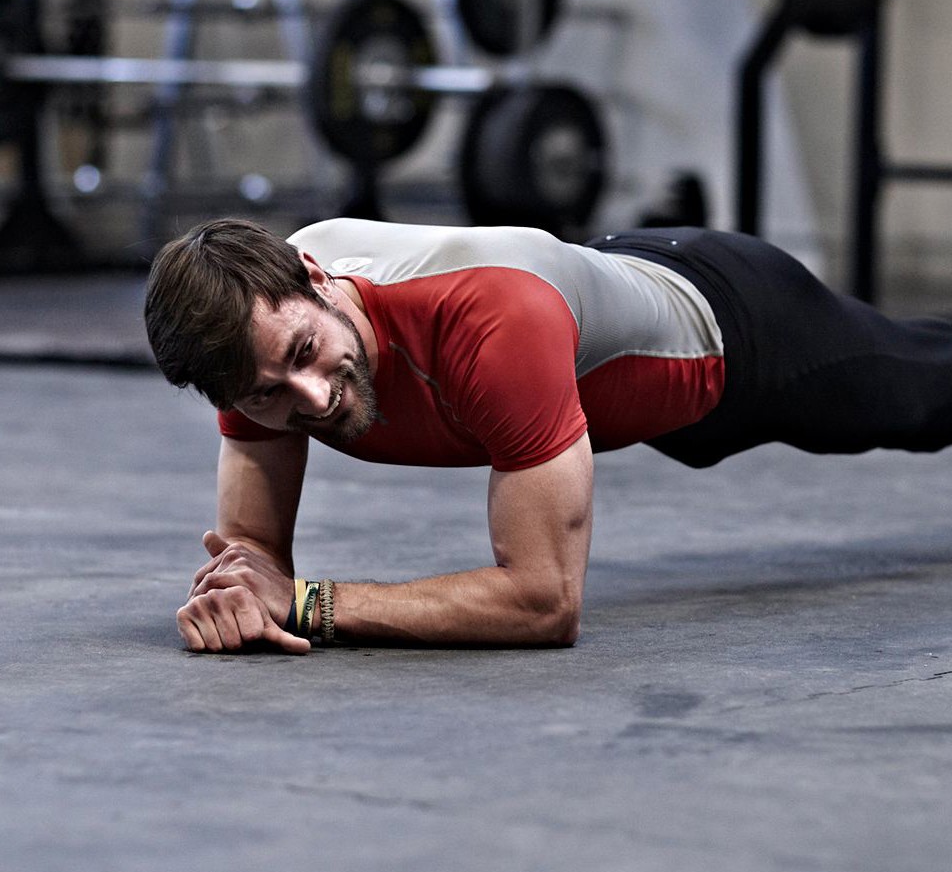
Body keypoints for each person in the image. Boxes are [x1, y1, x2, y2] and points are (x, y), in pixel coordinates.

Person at [145, 215, 952, 653]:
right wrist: (238, 601)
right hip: (605, 320)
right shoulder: (252, 341)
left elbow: (543, 604)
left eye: (307, 354)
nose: (313, 399)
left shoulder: (492, 324)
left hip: (740, 323)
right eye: (267, 396)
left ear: (317, 283)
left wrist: (311, 605)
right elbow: (252, 557)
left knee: (925, 394)